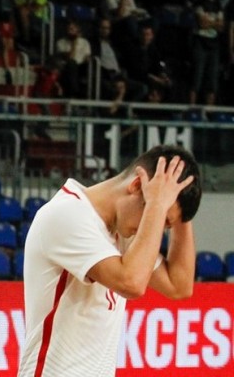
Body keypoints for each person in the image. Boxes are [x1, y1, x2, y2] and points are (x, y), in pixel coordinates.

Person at [17, 145, 202, 376]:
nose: (157, 228)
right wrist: (158, 205)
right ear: (136, 185)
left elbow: (179, 285)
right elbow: (131, 283)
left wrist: (181, 197)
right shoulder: (66, 214)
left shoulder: (121, 230)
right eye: (161, 218)